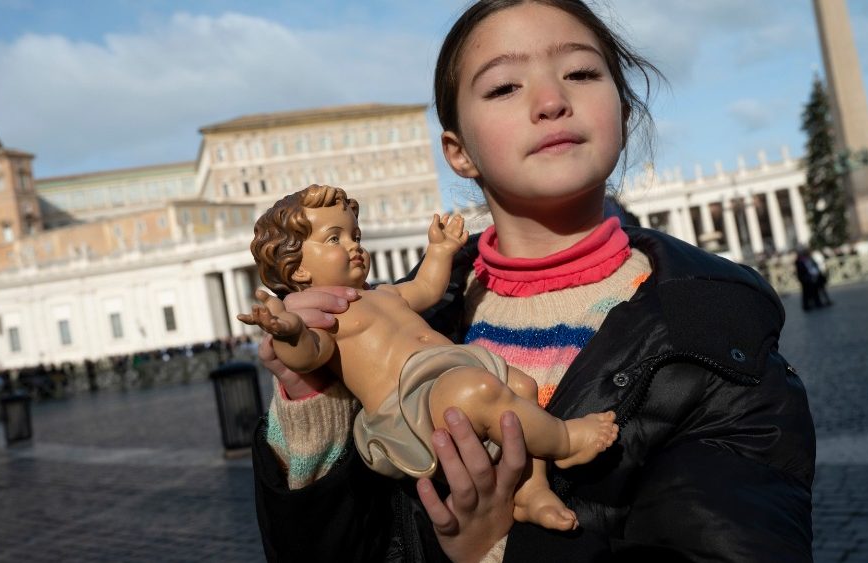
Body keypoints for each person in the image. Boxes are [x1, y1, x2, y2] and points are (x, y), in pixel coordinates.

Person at [252, 1, 816, 561]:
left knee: (510, 390)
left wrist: (497, 551)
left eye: (580, 73)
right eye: (504, 87)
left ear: (621, 110)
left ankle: (537, 485)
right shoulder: (400, 315)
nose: (551, 102)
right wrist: (313, 400)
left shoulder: (720, 331)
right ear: (459, 152)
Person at [241, 184, 619, 532]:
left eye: (356, 235)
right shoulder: (325, 319)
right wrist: (288, 333)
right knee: (481, 390)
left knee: (521, 384)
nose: (354, 245)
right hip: (408, 406)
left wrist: (439, 251)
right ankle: (565, 441)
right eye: (334, 238)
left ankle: (532, 490)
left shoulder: (385, 294)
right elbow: (308, 355)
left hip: (450, 374)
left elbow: (426, 287)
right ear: (299, 267)